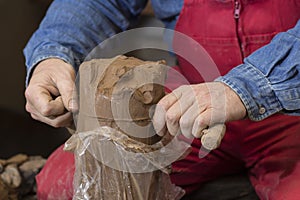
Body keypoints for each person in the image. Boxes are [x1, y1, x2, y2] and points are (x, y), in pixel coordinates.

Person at [24, 0, 300, 199]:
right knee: (70, 182)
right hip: (185, 106)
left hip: (291, 114)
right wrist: (53, 54)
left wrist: (244, 88)